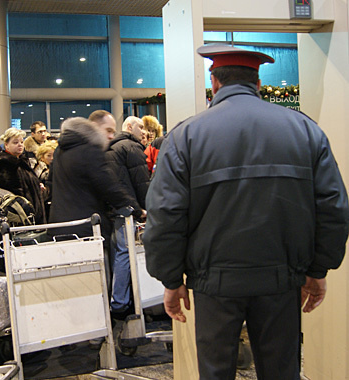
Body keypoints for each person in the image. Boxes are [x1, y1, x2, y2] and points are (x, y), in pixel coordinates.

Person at [143, 44, 349, 380]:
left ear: (215, 83)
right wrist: (318, 267)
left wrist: (170, 277)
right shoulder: (305, 130)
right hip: (282, 280)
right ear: (257, 82)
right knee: (282, 371)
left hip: (214, 284)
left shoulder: (185, 137)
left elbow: (164, 214)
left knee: (214, 372)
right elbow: (333, 207)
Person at [105, 116, 150, 320]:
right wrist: (145, 207)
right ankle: (121, 303)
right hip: (130, 211)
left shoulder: (111, 147)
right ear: (129, 127)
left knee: (118, 255)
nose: (144, 131)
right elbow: (141, 182)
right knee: (126, 253)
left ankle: (119, 299)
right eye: (140, 127)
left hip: (114, 210)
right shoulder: (132, 147)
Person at [0, 128, 46, 224]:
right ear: (6, 145)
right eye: (15, 142)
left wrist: (37, 185)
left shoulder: (23, 161)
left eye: (21, 142)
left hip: (32, 212)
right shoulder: (4, 163)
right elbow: (11, 194)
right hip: (20, 216)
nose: (20, 145)